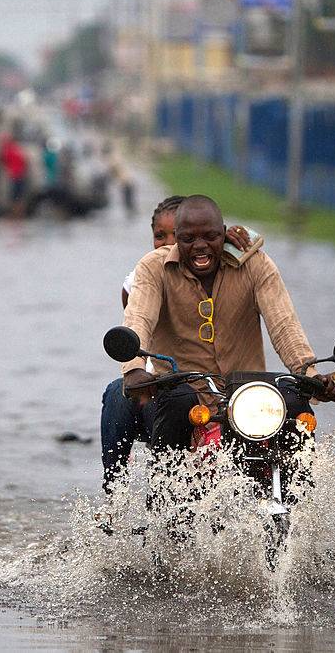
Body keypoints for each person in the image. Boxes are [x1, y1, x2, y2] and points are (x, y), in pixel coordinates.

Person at [119, 194, 335, 456]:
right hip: (185, 396)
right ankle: (166, 491)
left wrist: (311, 374)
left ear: (224, 234)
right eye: (189, 239)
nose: (200, 246)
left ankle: (300, 493)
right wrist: (133, 368)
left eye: (211, 237)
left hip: (250, 397)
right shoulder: (152, 267)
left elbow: (284, 326)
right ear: (177, 239)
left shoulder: (255, 263)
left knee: (295, 404)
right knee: (177, 402)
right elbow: (138, 319)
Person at [100, 196, 259, 492]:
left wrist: (233, 237)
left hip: (220, 389)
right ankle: (119, 494)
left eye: (177, 236)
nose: (168, 243)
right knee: (118, 394)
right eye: (160, 236)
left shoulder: (219, 267)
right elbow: (135, 322)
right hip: (163, 385)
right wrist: (136, 373)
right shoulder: (143, 276)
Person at [0, 133, 28, 218]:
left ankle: (15, 214)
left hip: (15, 176)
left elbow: (2, 160)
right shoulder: (17, 149)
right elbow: (24, 162)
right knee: (19, 195)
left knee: (14, 195)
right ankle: (19, 213)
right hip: (20, 175)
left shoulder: (8, 150)